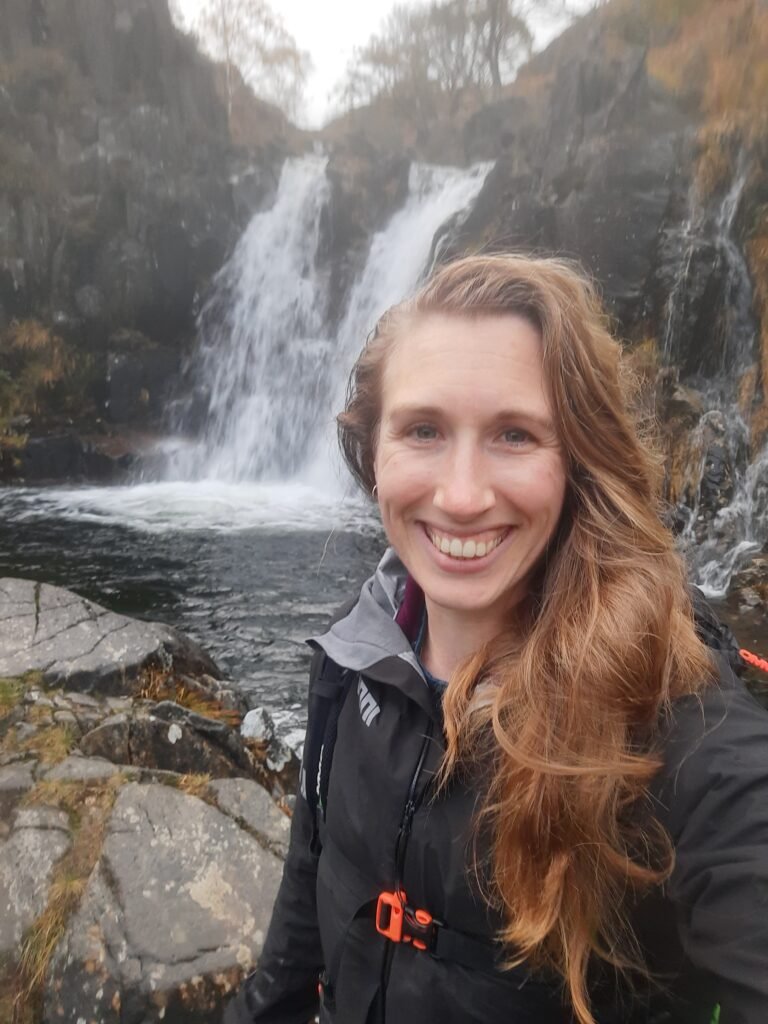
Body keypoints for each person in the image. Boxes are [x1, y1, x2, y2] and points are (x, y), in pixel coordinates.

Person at [225, 254, 768, 1024]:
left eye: (515, 435)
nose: (463, 495)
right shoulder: (357, 650)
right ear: (370, 453)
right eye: (422, 430)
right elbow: (299, 933)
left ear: (579, 462)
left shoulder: (676, 728)